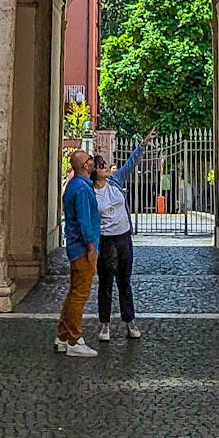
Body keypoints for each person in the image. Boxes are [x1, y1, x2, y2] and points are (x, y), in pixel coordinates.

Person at [92, 133, 155, 342]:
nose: (107, 167)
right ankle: (105, 325)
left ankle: (130, 321)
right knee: (105, 283)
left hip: (123, 238)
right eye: (101, 165)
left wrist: (143, 144)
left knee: (124, 281)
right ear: (95, 172)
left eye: (105, 164)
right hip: (106, 240)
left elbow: (131, 163)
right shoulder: (90, 193)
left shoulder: (115, 182)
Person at [55, 148, 99, 356]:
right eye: (90, 160)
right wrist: (91, 247)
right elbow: (84, 221)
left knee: (74, 292)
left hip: (75, 247)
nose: (93, 162)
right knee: (79, 295)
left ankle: (63, 336)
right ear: (85, 165)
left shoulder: (75, 186)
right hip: (82, 249)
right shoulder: (82, 189)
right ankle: (74, 340)